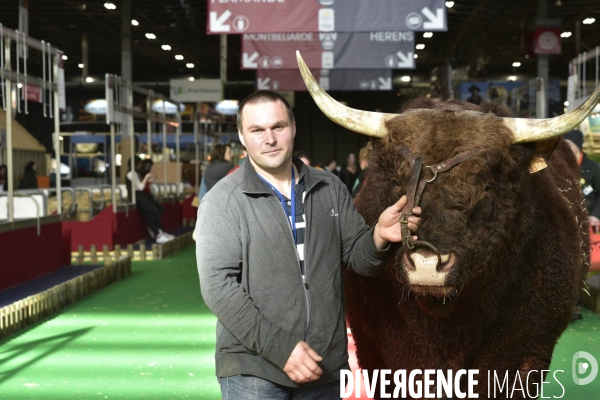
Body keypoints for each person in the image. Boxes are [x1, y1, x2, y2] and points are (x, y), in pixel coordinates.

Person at [196, 90, 421, 399]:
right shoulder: (222, 201)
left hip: (323, 367)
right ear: (242, 136)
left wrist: (379, 235)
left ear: (293, 127)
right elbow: (218, 288)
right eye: (257, 130)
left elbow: (360, 258)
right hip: (255, 371)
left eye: (278, 127)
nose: (270, 138)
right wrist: (281, 349)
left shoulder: (328, 187)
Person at [563, 129, 600, 323]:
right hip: (565, 225)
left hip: (586, 227)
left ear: (578, 146)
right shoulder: (558, 166)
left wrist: (596, 215)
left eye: (570, 145)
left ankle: (575, 306)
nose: (566, 148)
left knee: (580, 266)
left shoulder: (592, 168)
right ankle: (564, 307)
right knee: (565, 265)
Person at [126, 157, 173, 244]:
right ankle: (158, 233)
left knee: (151, 212)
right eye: (139, 163)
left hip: (140, 196)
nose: (141, 165)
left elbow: (139, 187)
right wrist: (146, 177)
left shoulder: (135, 173)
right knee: (153, 211)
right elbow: (141, 187)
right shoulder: (132, 173)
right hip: (138, 197)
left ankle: (159, 232)